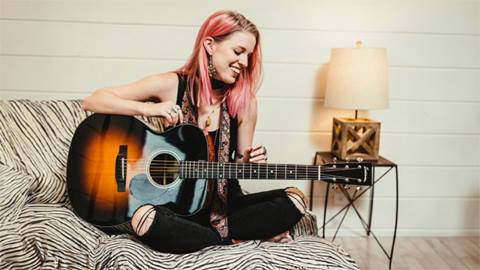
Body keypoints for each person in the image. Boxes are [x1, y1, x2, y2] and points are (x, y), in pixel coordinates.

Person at [82, 10, 307, 254]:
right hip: (175, 205)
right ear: (210, 45)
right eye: (238, 51)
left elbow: (241, 160)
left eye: (249, 56)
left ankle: (210, 239)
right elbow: (94, 101)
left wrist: (250, 159)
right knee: (145, 218)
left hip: (224, 207)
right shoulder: (171, 85)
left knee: (294, 200)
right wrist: (152, 108)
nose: (244, 63)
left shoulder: (245, 101)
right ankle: (229, 241)